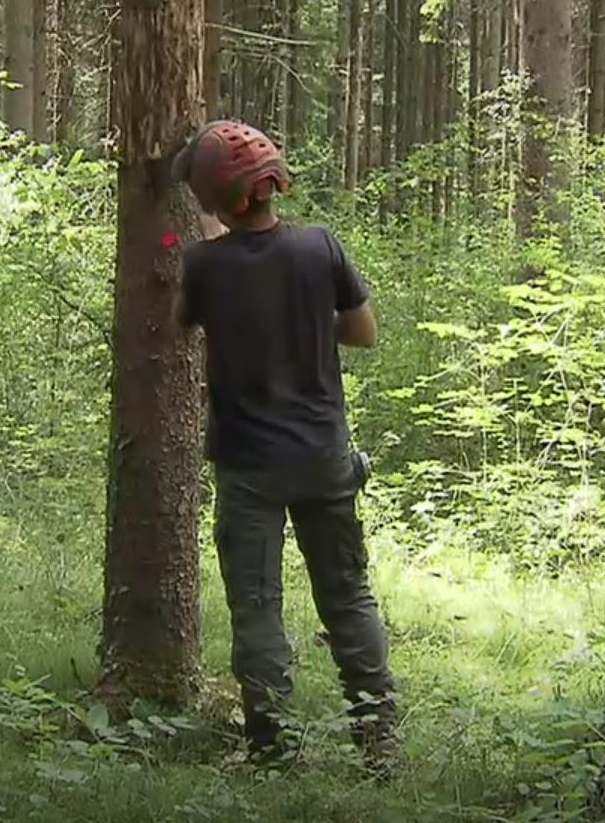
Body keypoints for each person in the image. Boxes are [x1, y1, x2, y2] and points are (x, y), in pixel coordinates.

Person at [172, 121, 398, 774]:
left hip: (248, 466)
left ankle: (271, 747)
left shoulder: (202, 264)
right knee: (348, 596)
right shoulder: (319, 247)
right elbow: (362, 330)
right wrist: (302, 320)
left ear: (215, 199)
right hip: (325, 455)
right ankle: (377, 738)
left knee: (257, 604)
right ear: (272, 184)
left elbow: (185, 319)